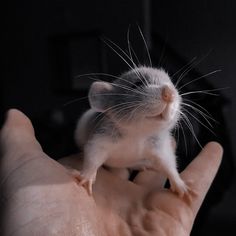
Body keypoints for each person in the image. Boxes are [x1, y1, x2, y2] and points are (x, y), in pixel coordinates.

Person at [0, 109, 223, 236]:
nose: (168, 95)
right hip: (108, 157)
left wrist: (176, 180)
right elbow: (96, 147)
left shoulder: (158, 135)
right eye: (140, 84)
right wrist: (89, 172)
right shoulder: (108, 123)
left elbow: (164, 156)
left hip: (136, 160)